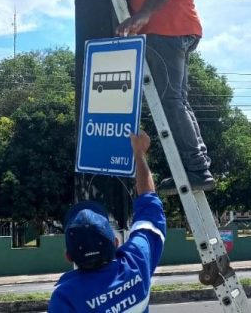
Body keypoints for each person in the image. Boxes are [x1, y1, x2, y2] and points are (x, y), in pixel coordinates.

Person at [117, 0, 214, 195]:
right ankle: (196, 167)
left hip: (168, 28)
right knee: (175, 100)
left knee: (171, 101)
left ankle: (196, 169)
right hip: (170, 28)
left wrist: (144, 12)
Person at [48, 131, 166, 313]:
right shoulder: (136, 262)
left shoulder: (65, 297)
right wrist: (139, 154)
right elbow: (149, 203)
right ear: (116, 242)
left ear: (68, 257)